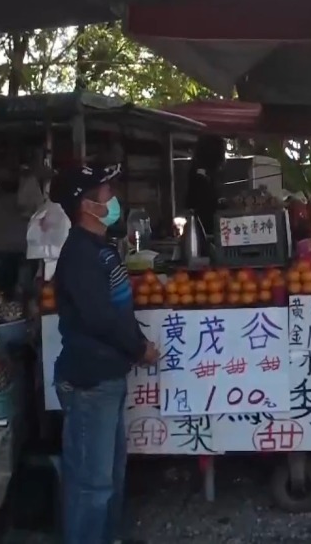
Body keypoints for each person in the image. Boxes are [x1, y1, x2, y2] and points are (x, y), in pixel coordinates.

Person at [52, 163, 159, 544]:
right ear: (87, 206)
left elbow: (117, 310)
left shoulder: (102, 248)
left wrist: (137, 339)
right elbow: (99, 318)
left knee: (110, 477)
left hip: (108, 378)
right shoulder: (80, 253)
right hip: (89, 381)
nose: (113, 198)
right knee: (91, 485)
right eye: (105, 193)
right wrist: (139, 347)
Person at [184, 135, 227, 237]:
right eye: (223, 152)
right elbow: (205, 207)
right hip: (204, 233)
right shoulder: (200, 177)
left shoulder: (203, 173)